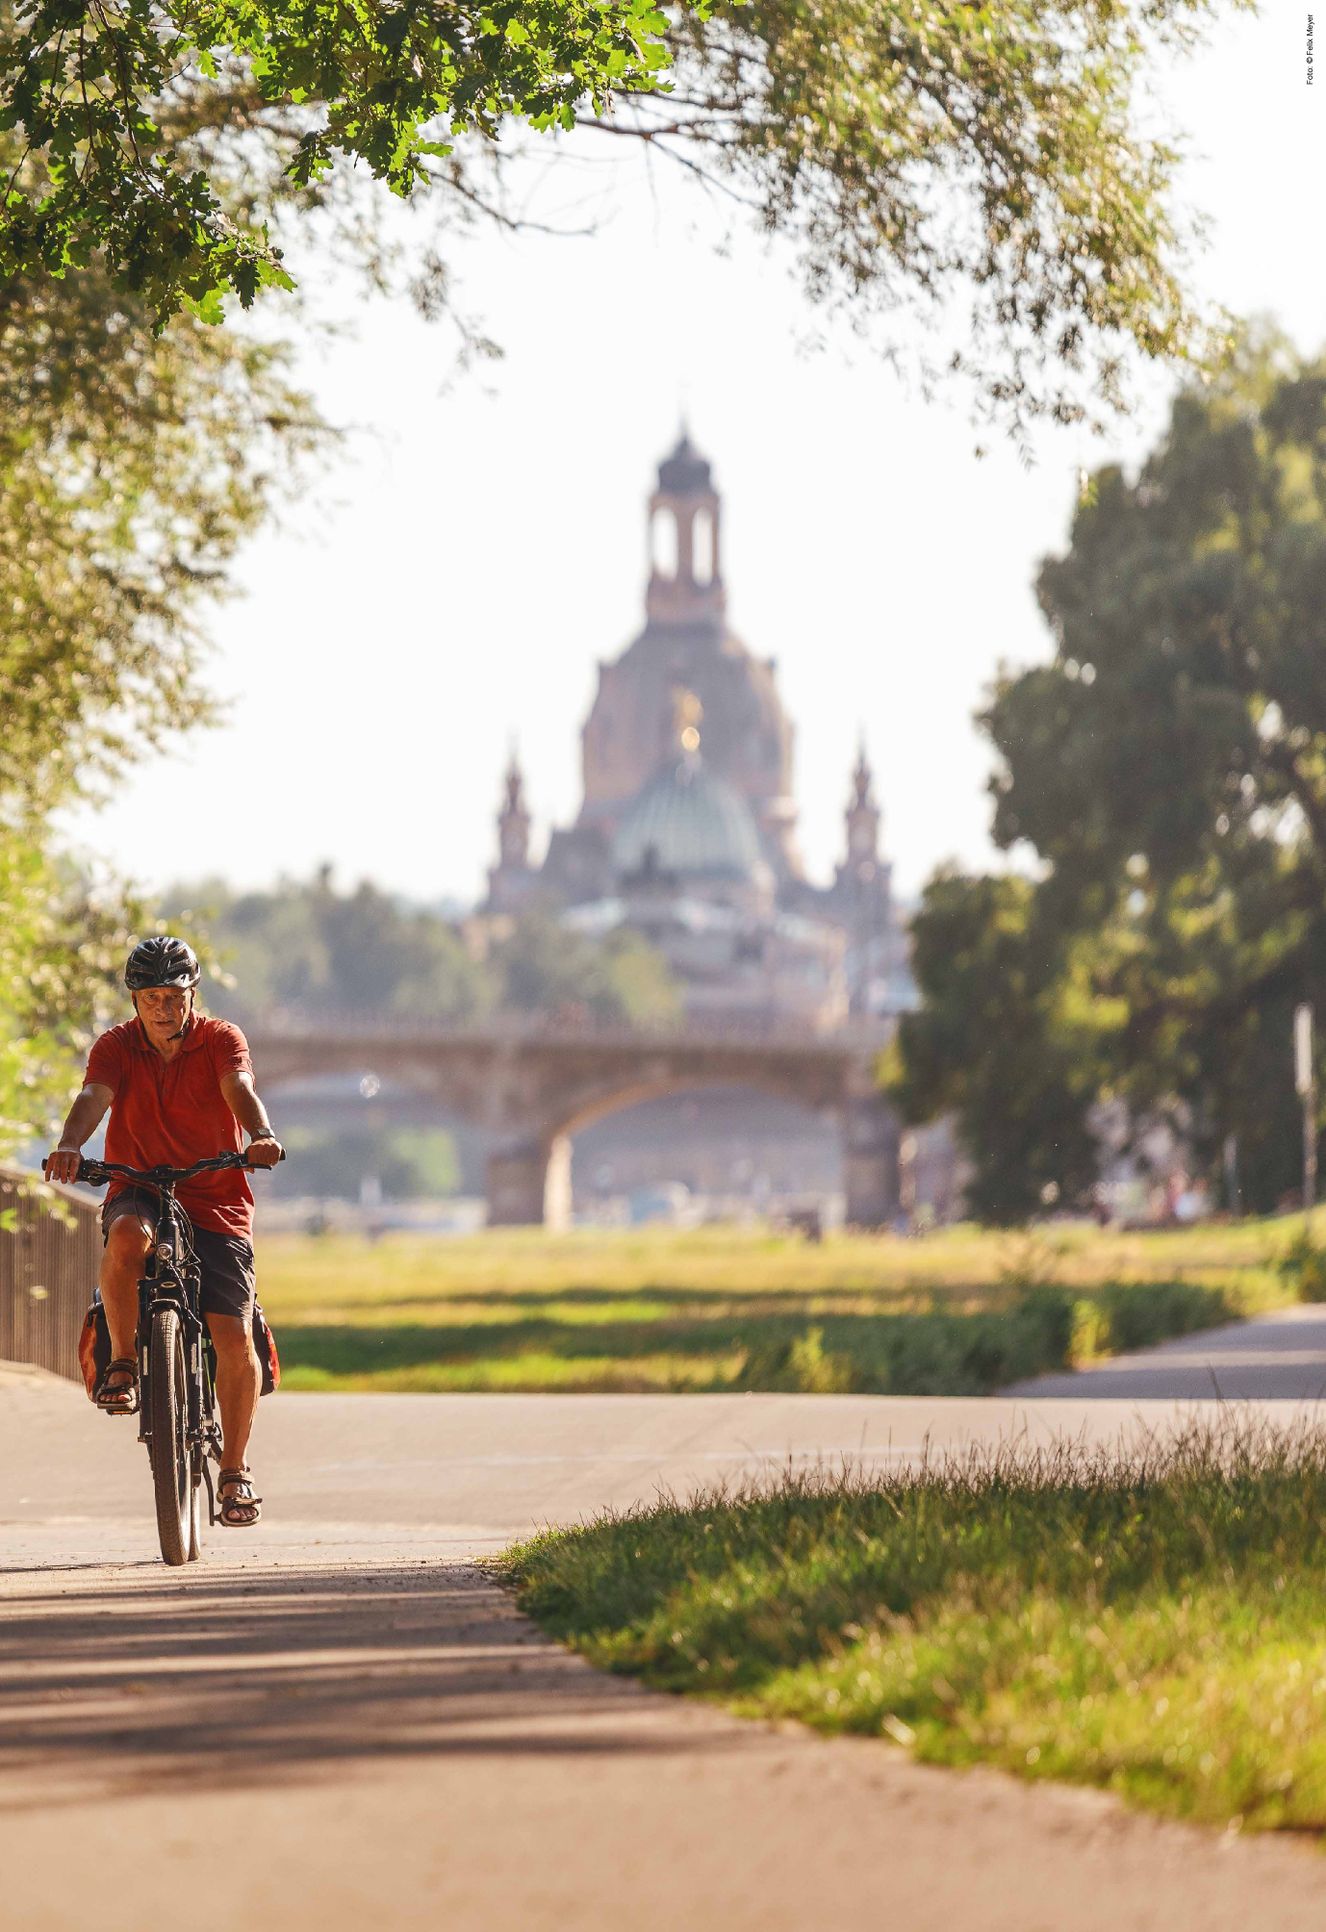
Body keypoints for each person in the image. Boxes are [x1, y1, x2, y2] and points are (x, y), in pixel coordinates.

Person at [45, 936, 283, 1529]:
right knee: (125, 1237)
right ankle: (123, 1362)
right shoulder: (116, 1047)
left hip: (216, 1195)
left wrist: (259, 1135)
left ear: (191, 994)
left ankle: (234, 1472)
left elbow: (239, 1090)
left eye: (172, 996)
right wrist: (71, 1145)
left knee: (232, 1332)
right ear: (134, 1000)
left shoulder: (221, 1039)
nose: (162, 1008)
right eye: (150, 997)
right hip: (138, 1184)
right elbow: (92, 1098)